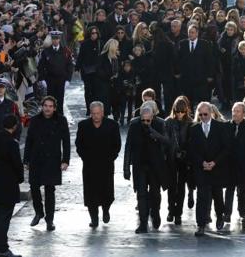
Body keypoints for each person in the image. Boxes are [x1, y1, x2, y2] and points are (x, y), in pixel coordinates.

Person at [23, 96, 70, 232]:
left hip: (53, 159)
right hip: (36, 158)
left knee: (50, 190)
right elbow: (29, 141)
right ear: (42, 106)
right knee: (34, 187)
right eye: (45, 106)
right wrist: (26, 160)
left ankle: (50, 220)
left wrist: (65, 160)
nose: (47, 108)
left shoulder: (61, 120)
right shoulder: (35, 120)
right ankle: (39, 212)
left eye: (50, 106)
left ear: (54, 108)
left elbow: (66, 141)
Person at [123, 101, 170, 233]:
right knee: (141, 194)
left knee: (155, 193)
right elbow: (128, 147)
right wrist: (126, 168)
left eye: (148, 120)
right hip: (140, 165)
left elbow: (167, 142)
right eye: (143, 120)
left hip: (156, 166)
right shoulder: (134, 124)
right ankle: (143, 223)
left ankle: (155, 213)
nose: (145, 123)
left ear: (153, 117)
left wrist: (154, 132)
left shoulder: (160, 123)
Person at [75, 101, 122, 228]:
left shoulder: (112, 125)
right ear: (90, 113)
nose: (95, 116)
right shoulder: (83, 125)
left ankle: (106, 210)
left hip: (106, 164)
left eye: (98, 113)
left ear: (102, 113)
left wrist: (111, 157)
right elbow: (79, 144)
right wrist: (84, 157)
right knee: (91, 192)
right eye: (93, 113)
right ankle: (94, 218)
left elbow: (117, 144)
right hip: (89, 165)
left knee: (106, 190)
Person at [190, 102, 230, 236]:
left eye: (205, 114)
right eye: (200, 114)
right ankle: (200, 225)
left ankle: (220, 216)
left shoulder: (220, 127)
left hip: (217, 167)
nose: (203, 117)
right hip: (201, 168)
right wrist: (202, 163)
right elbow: (192, 150)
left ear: (211, 113)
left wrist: (215, 162)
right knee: (201, 197)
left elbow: (226, 148)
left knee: (217, 195)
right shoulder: (194, 129)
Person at [0, 114, 24, 257]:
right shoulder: (12, 143)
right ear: (15, 126)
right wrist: (20, 178)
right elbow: (17, 164)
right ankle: (2, 248)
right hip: (8, 185)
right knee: (4, 217)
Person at [165, 97, 194, 225]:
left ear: (186, 110)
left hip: (184, 159)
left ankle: (178, 214)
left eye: (182, 111)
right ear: (174, 110)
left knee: (181, 186)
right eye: (178, 111)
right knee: (171, 186)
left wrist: (186, 153)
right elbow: (165, 141)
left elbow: (191, 142)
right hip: (171, 158)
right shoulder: (168, 122)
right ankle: (171, 210)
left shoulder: (190, 123)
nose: (180, 114)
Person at [176, 25, 214, 109]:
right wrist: (178, 72)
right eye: (189, 32)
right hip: (187, 78)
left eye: (192, 32)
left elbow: (209, 60)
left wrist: (210, 75)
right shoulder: (183, 43)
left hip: (201, 78)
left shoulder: (204, 44)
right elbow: (179, 59)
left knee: (203, 101)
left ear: (197, 33)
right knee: (188, 101)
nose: (190, 34)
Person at [38, 31, 74, 115]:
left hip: (61, 79)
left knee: (60, 100)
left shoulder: (65, 51)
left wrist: (68, 79)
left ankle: (60, 117)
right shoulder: (46, 51)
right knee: (50, 100)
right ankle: (50, 116)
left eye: (57, 38)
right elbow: (41, 67)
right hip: (50, 79)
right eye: (53, 38)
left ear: (59, 39)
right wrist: (42, 79)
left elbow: (70, 66)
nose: (55, 40)